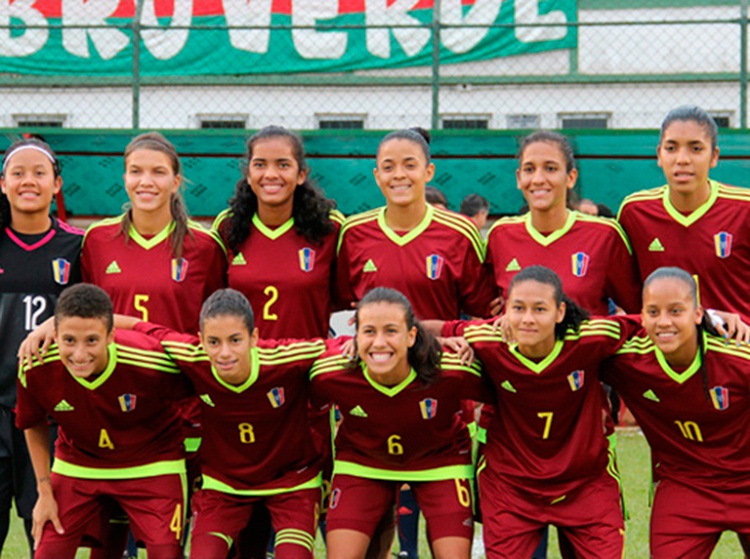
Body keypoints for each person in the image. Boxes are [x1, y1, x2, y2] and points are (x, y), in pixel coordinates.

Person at [336, 127, 496, 557]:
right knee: (373, 537)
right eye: (388, 167)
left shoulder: (459, 233)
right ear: (375, 175)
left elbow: (485, 314)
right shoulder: (353, 234)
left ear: (429, 171)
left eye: (410, 165)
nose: (399, 175)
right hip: (369, 406)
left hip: (439, 404)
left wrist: (442, 336)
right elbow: (333, 312)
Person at [80, 131, 226, 557]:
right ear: (124, 177)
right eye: (136, 171)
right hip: (110, 408)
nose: (147, 181)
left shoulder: (205, 246)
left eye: (158, 172)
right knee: (106, 540)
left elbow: (214, 327)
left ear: (176, 181)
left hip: (181, 410)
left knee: (170, 540)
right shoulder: (97, 240)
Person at [442, 266, 642, 558]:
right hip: (511, 485)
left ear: (560, 312)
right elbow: (438, 330)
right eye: (518, 308)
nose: (527, 319)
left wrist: (713, 318)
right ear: (504, 312)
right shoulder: (486, 339)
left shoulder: (592, 336)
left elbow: (648, 321)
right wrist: (444, 341)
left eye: (540, 309)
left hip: (585, 482)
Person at [212, 125, 344, 555]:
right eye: (261, 164)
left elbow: (356, 296)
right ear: (247, 173)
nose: (272, 174)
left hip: (305, 394)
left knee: (320, 518)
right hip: (241, 393)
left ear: (301, 173)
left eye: (283, 164)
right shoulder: (228, 228)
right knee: (244, 528)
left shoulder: (329, 230)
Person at [120, 288, 327, 559]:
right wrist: (56, 323)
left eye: (235, 340)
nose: (225, 352)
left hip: (291, 483)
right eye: (214, 342)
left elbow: (333, 349)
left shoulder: (285, 358)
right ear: (201, 341)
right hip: (224, 487)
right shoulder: (192, 355)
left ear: (253, 338)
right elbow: (141, 326)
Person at [310, 287, 488, 559]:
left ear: (411, 335)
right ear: (354, 337)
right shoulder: (330, 370)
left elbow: (505, 385)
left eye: (391, 331)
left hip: (439, 461)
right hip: (363, 461)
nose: (379, 343)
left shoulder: (453, 368)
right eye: (369, 331)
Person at [15, 284, 191, 559]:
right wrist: (44, 491)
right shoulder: (34, 364)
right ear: (55, 334)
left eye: (92, 341)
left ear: (111, 335)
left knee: (166, 553)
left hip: (152, 462)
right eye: (69, 340)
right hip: (79, 464)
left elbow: (203, 384)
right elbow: (31, 422)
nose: (80, 354)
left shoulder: (152, 360)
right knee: (48, 553)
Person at [602, 267, 750, 559]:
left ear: (697, 314)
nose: (664, 322)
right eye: (653, 312)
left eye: (676, 311)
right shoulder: (628, 359)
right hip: (685, 485)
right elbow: (572, 337)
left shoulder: (739, 356)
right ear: (641, 316)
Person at [0, 137, 83, 557]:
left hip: (53, 416)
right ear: (2, 184)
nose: (28, 181)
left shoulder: (77, 247)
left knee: (46, 533)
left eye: (39, 173)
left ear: (56, 184)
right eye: (18, 173)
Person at [486, 130, 640, 316]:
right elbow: (485, 311)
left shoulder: (605, 236)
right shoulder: (500, 236)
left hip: (588, 346)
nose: (538, 179)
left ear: (571, 177)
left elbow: (637, 311)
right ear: (519, 178)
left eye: (550, 169)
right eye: (529, 169)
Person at [618, 105, 750, 322]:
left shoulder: (744, 209)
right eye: (671, 148)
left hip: (736, 349)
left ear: (714, 156)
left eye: (696, 149)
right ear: (659, 155)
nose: (682, 159)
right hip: (663, 347)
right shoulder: (634, 212)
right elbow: (629, 297)